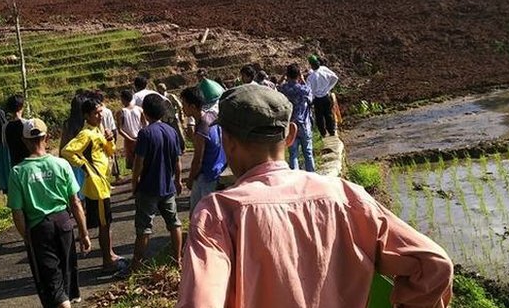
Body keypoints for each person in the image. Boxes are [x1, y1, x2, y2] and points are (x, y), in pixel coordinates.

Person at [177, 85, 453, 308]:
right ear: (290, 136)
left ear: (227, 140)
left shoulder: (218, 213)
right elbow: (434, 265)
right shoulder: (345, 195)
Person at [9, 119, 92, 308]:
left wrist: (27, 237)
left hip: (40, 227)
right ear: (46, 137)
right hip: (64, 223)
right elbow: (76, 202)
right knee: (65, 274)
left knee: (51, 281)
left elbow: (18, 212)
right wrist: (84, 232)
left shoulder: (18, 172)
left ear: (25, 140)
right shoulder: (61, 164)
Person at [61, 98, 125, 271]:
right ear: (86, 115)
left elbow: (110, 152)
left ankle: (110, 254)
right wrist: (86, 167)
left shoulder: (99, 130)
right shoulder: (86, 134)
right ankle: (107, 261)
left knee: (107, 222)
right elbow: (67, 151)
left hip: (103, 183)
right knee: (104, 224)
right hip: (97, 186)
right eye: (95, 113)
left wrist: (110, 139)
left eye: (100, 112)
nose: (99, 115)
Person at [126, 94, 183, 275]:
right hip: (167, 187)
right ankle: (178, 259)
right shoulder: (171, 131)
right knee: (174, 223)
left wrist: (134, 183)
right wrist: (178, 180)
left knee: (144, 228)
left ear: (145, 112)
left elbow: (138, 163)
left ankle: (136, 265)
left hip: (149, 187)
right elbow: (178, 161)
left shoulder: (145, 133)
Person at [179, 87, 226, 208]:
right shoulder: (212, 116)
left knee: (199, 213)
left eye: (184, 104)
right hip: (218, 169)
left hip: (207, 175)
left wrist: (190, 180)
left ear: (193, 106)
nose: (182, 108)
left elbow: (198, 160)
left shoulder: (201, 130)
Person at [278, 63, 315, 172]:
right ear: (298, 75)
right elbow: (311, 98)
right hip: (303, 124)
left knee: (293, 154)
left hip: (290, 124)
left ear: (287, 75)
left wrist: (282, 79)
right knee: (308, 152)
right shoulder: (304, 90)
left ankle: (295, 177)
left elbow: (276, 87)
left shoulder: (283, 89)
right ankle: (311, 175)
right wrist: (302, 80)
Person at [306, 54, 339, 137]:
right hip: (326, 96)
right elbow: (335, 78)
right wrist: (329, 87)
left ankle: (323, 133)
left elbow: (309, 90)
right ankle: (331, 131)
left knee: (319, 117)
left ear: (311, 65)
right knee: (328, 114)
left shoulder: (310, 77)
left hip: (317, 99)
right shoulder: (324, 70)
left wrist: (312, 98)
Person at [91, 89, 121, 180]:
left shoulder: (93, 112)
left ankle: (105, 178)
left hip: (99, 138)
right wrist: (114, 139)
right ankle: (116, 176)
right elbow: (113, 127)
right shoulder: (107, 111)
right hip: (108, 136)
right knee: (112, 157)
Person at [115, 89, 144, 172]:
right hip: (140, 138)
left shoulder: (120, 112)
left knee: (133, 165)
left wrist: (130, 139)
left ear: (123, 99)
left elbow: (120, 130)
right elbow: (145, 124)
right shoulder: (139, 109)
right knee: (143, 160)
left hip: (129, 140)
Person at [3, 94, 30, 166]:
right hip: (28, 162)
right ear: (21, 107)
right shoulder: (26, 124)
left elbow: (5, 144)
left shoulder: (5, 127)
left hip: (14, 163)